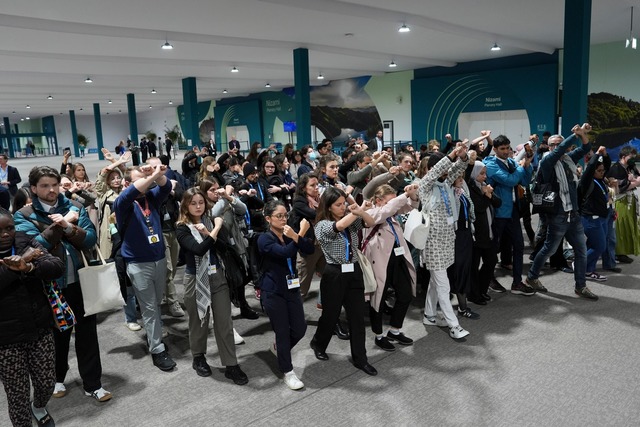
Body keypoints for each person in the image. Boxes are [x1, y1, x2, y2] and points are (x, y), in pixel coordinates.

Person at [14, 166, 112, 402]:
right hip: (50, 286)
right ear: (34, 188)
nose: (51, 190)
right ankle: (58, 378)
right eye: (45, 186)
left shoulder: (74, 207)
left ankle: (93, 383)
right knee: (58, 335)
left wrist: (68, 226)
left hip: (80, 279)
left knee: (88, 333)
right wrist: (59, 226)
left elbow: (89, 239)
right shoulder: (24, 215)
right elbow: (32, 249)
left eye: (54, 185)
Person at [176, 188, 249, 385]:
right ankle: (198, 357)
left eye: (201, 202)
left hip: (218, 277)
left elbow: (224, 247)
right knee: (198, 322)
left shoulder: (209, 220)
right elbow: (199, 249)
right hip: (195, 279)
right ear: (186, 206)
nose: (198, 206)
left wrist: (211, 231)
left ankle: (231, 365)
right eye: (193, 203)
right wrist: (215, 229)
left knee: (224, 323)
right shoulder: (182, 228)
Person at [0, 207, 64, 427]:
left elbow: (55, 265)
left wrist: (27, 266)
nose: (6, 234)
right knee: (17, 394)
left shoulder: (24, 241)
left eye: (9, 228)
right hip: (5, 340)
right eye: (0, 230)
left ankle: (38, 407)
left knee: (47, 383)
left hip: (39, 328)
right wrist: (16, 268)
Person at [113, 163, 178, 371]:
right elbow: (133, 191)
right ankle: (157, 349)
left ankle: (154, 334)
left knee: (156, 304)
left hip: (158, 259)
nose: (145, 183)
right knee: (149, 307)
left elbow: (166, 187)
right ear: (127, 183)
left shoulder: (152, 198)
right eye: (139, 179)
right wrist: (152, 177)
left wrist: (157, 175)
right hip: (137, 263)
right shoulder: (122, 202)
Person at [310, 186, 378, 376]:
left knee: (356, 318)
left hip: (354, 271)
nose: (342, 207)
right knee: (330, 316)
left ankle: (360, 359)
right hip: (334, 274)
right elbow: (338, 227)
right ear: (329, 207)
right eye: (338, 205)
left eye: (343, 204)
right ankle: (318, 343)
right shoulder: (322, 225)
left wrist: (359, 209)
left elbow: (371, 222)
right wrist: (355, 210)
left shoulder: (351, 219)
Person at [526, 124, 599, 300]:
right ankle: (532, 277)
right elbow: (559, 151)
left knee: (581, 251)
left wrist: (582, 135)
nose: (558, 147)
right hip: (557, 214)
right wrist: (573, 135)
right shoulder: (546, 162)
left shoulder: (568, 159)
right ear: (548, 147)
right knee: (549, 249)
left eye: (559, 144)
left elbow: (586, 148)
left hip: (573, 214)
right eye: (553, 144)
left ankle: (580, 286)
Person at [258, 201, 314, 389]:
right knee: (282, 331)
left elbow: (309, 249)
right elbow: (284, 253)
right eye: (279, 216)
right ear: (268, 218)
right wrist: (300, 234)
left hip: (291, 288)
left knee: (300, 328)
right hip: (273, 291)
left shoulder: (289, 235)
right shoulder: (264, 239)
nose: (284, 219)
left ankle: (281, 349)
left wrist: (296, 237)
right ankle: (288, 371)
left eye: (285, 215)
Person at [418, 147, 471, 340]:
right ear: (433, 169)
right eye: (443, 170)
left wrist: (463, 155)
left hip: (448, 241)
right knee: (443, 285)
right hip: (432, 244)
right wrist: (451, 155)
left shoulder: (446, 183)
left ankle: (429, 315)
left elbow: (461, 166)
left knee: (435, 282)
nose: (448, 173)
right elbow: (436, 171)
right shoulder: (425, 185)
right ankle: (454, 326)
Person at [362, 184, 417, 352]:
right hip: (380, 261)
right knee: (378, 299)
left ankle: (395, 330)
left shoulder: (390, 212)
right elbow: (385, 212)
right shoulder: (371, 212)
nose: (394, 204)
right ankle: (379, 335)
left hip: (397, 259)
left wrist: (413, 195)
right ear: (379, 201)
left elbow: (409, 206)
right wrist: (403, 195)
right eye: (390, 200)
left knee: (406, 294)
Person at [483, 135, 534, 295]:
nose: (506, 152)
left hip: (512, 210)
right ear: (495, 149)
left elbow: (525, 180)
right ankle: (488, 278)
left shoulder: (511, 162)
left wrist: (527, 163)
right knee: (493, 249)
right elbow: (511, 180)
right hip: (497, 212)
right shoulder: (490, 164)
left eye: (507, 148)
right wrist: (521, 167)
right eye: (502, 149)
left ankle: (517, 282)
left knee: (518, 246)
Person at [467, 161, 502, 305]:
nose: (484, 176)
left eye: (485, 173)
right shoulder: (470, 188)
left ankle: (482, 289)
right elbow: (479, 208)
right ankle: (474, 294)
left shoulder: (484, 186)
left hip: (489, 232)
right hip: (477, 234)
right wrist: (486, 195)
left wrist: (489, 194)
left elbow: (498, 202)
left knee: (491, 261)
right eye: (481, 173)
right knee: (473, 266)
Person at [578, 146, 612, 281]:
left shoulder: (600, 179)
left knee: (594, 245)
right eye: (599, 171)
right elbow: (591, 166)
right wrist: (597, 154)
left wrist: (605, 155)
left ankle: (588, 271)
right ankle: (580, 264)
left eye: (603, 170)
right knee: (600, 246)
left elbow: (607, 166)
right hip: (591, 219)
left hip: (602, 217)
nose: (602, 173)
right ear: (592, 171)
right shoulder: (587, 181)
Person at [606, 146, 640, 263]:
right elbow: (617, 189)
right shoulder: (615, 169)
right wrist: (634, 183)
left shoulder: (630, 167)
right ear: (623, 157)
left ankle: (625, 250)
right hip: (620, 201)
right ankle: (619, 252)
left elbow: (637, 179)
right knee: (621, 227)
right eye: (631, 157)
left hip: (629, 199)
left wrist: (634, 182)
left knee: (629, 224)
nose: (633, 159)